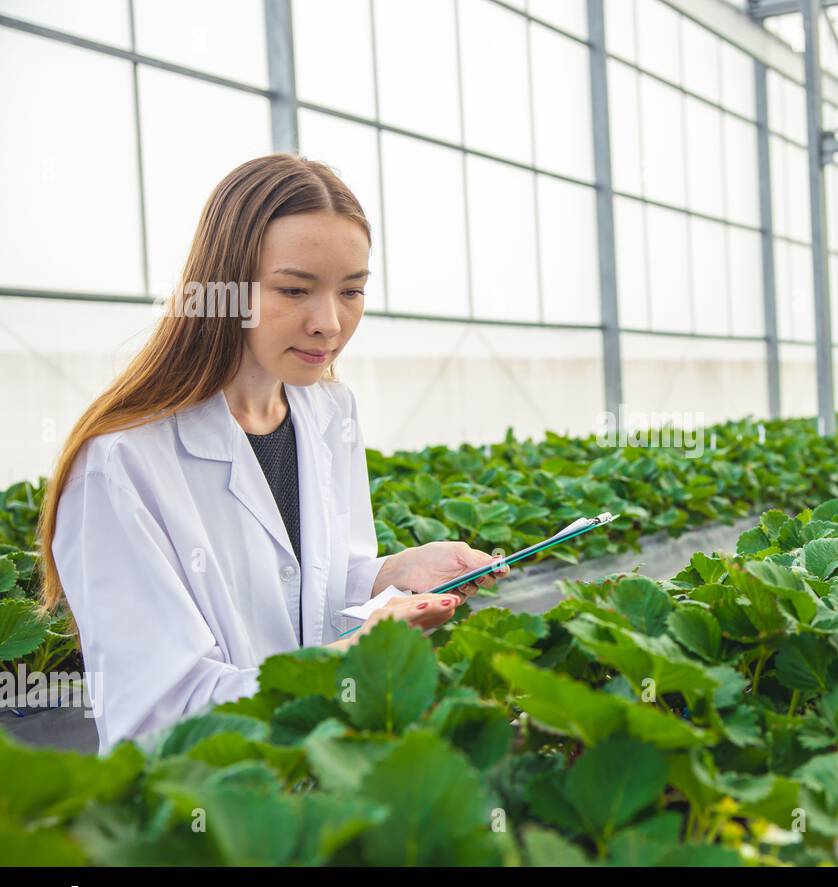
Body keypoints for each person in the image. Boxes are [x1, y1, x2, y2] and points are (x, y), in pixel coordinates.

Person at [37, 154, 507, 752]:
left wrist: (390, 576)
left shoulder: (330, 411)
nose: (329, 323)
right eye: (293, 289)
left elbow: (310, 593)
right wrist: (354, 655)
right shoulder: (121, 463)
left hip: (322, 773)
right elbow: (160, 720)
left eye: (353, 291)